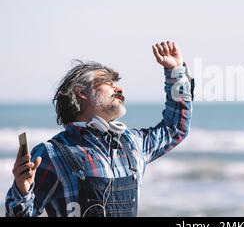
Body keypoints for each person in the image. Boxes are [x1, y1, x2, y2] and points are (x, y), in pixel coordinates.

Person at [5, 41, 193, 217]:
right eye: (109, 83)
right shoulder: (51, 154)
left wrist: (175, 72)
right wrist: (22, 190)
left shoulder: (132, 143)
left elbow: (175, 128)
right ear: (82, 93)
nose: (118, 88)